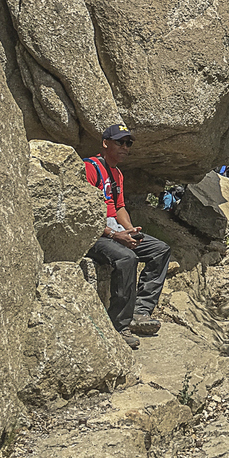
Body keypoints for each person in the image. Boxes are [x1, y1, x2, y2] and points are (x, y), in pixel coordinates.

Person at [83, 124, 173, 349]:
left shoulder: (117, 173)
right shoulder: (90, 168)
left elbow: (119, 207)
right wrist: (115, 235)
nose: (125, 147)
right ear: (105, 143)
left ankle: (140, 310)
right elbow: (83, 213)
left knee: (160, 250)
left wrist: (131, 231)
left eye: (128, 144)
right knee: (126, 259)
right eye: (119, 142)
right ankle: (118, 325)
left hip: (115, 230)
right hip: (95, 233)